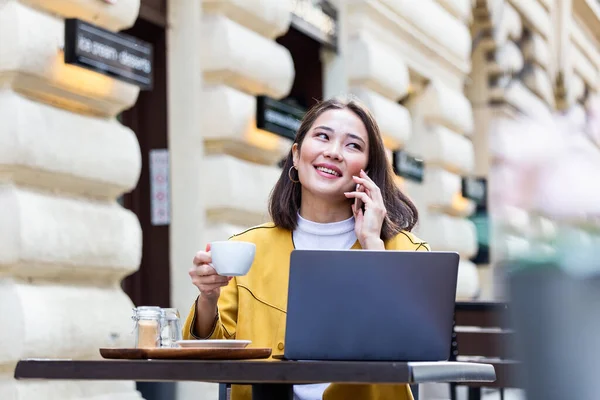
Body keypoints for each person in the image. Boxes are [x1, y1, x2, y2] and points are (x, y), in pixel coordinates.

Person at [183, 96, 430, 400]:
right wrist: (208, 297)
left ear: (367, 170)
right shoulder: (248, 248)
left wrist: (373, 247)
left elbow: (412, 344)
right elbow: (204, 353)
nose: (333, 152)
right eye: (322, 137)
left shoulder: (405, 251)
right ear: (297, 156)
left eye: (353, 145)